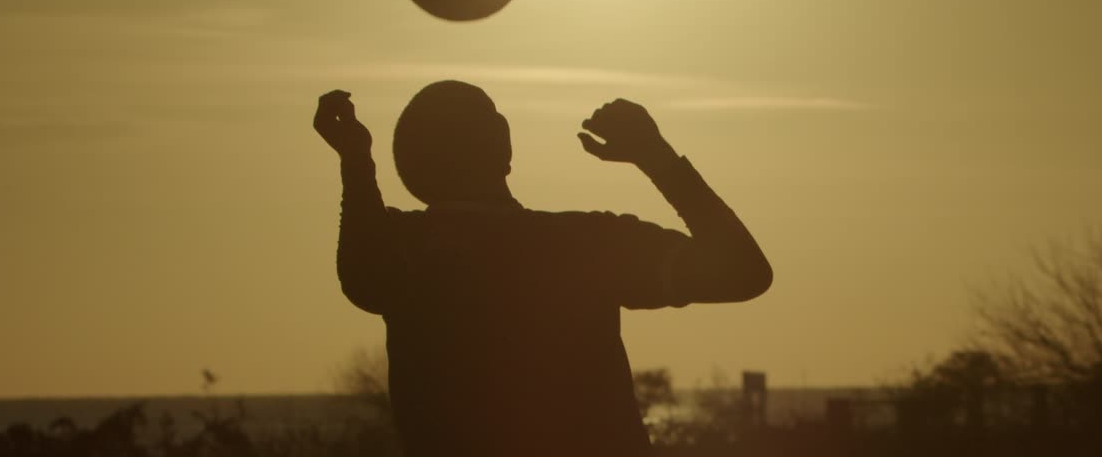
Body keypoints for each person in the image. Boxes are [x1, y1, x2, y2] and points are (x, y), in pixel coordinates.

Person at [314, 81, 772, 456]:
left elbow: (362, 269)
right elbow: (744, 271)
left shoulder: (405, 251)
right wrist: (656, 158)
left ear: (409, 168)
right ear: (504, 141)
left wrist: (356, 161)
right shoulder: (586, 245)